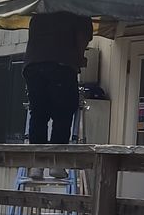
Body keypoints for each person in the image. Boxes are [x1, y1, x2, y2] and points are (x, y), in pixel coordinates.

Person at [22, 11, 93, 144]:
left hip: (32, 66)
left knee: (39, 112)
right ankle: (57, 156)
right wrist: (79, 59)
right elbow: (81, 38)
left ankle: (37, 155)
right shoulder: (81, 13)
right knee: (63, 112)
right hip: (60, 66)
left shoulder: (40, 13)